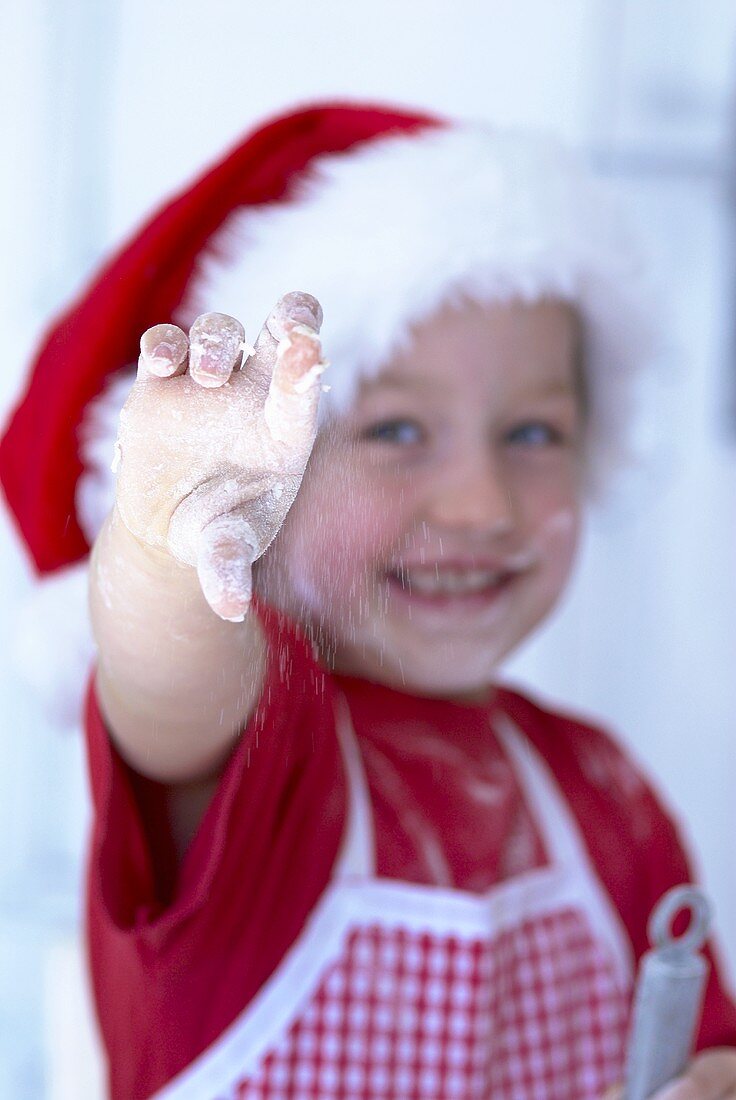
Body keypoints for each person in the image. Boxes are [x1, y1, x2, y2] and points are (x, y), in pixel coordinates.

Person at [2, 101, 735, 1100]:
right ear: (262, 471)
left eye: (531, 433)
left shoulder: (602, 785)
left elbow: (705, 1049)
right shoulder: (261, 748)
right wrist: (170, 533)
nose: (480, 504)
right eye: (393, 431)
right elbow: (166, 673)